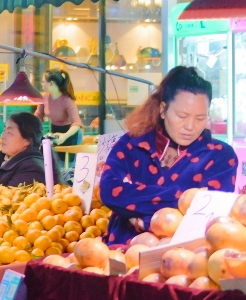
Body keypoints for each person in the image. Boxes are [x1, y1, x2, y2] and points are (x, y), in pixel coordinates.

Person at [98, 66, 237, 245]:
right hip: (119, 251)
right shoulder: (132, 144)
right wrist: (183, 199)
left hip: (183, 258)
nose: (190, 126)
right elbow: (110, 192)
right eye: (181, 116)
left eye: (200, 118)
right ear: (163, 110)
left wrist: (140, 220)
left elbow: (208, 214)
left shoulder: (220, 156)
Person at [0, 113, 54, 191]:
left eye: (9, 133)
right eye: (4, 131)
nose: (3, 136)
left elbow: (7, 202)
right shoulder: (0, 160)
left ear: (27, 141)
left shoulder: (32, 168)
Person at [37, 69, 83, 146]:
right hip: (55, 131)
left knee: (67, 158)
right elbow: (38, 115)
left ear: (51, 83)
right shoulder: (45, 96)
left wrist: (65, 136)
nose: (42, 84)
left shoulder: (67, 100)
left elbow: (76, 124)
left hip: (70, 133)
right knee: (53, 157)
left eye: (43, 82)